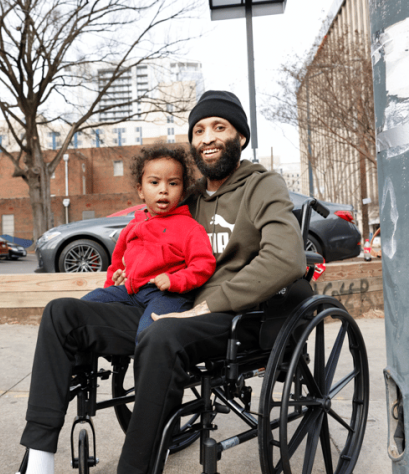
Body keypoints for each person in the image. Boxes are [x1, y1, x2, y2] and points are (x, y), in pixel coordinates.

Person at [18, 90, 306, 474]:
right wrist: (131, 269)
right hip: (170, 304)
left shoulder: (263, 186)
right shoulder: (190, 195)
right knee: (62, 314)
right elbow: (155, 233)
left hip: (236, 316)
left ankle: (135, 467)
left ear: (240, 137)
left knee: (161, 333)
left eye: (219, 127)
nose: (207, 138)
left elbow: (287, 257)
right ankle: (38, 458)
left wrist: (208, 305)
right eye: (199, 130)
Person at [80, 144, 216, 342]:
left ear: (183, 191)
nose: (163, 190)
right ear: (140, 190)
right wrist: (111, 288)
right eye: (154, 182)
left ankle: (148, 366)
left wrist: (175, 280)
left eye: (173, 183)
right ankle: (79, 367)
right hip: (130, 292)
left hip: (167, 296)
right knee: (82, 308)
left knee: (149, 333)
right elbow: (116, 266)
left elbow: (204, 265)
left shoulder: (190, 228)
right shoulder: (132, 227)